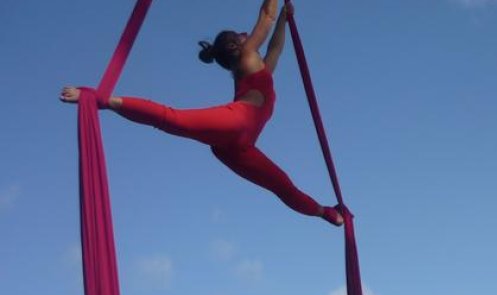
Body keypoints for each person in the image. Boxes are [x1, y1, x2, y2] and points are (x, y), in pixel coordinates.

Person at [61, 0, 343, 226]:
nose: (247, 34)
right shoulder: (247, 54)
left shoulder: (260, 68)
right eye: (241, 35)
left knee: (282, 186)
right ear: (236, 45)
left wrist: (285, 15)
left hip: (238, 147)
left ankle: (324, 213)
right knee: (173, 119)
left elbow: (277, 47)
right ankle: (102, 100)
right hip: (237, 122)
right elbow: (265, 17)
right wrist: (275, 13)